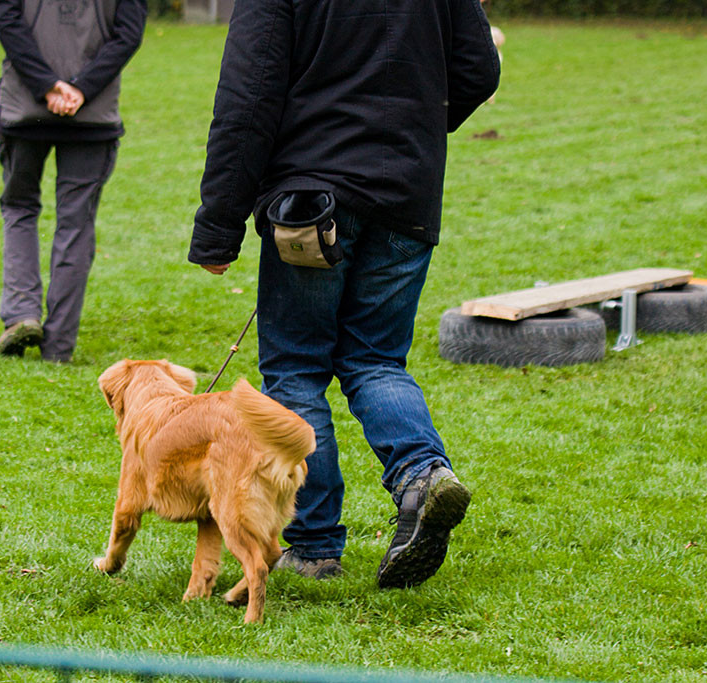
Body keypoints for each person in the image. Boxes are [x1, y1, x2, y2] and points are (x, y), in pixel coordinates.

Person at [188, 0, 500, 588]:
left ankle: (314, 546)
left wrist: (217, 226)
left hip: (310, 198)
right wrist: (414, 130)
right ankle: (422, 475)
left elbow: (248, 98)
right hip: (407, 191)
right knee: (376, 360)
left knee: (296, 371)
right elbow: (478, 71)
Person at [0, 0, 146, 362]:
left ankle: (21, 313)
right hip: (93, 116)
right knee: (75, 224)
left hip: (24, 108)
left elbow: (8, 19)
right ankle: (58, 346)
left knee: (19, 208)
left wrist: (46, 86)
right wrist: (81, 88)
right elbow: (128, 34)